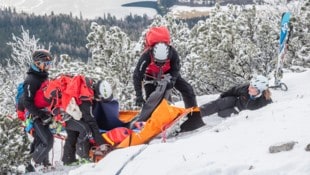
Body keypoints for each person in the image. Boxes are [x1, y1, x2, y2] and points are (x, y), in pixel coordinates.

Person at [133, 41, 205, 131]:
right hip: (150, 75)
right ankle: (150, 125)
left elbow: (176, 68)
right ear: (153, 56)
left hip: (169, 73)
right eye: (157, 62)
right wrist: (139, 96)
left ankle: (194, 119)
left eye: (163, 62)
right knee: (152, 101)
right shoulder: (146, 56)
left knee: (187, 89)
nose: (160, 65)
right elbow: (137, 75)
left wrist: (172, 80)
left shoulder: (173, 53)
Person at [43, 75, 110, 165]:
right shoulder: (85, 98)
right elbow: (91, 122)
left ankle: (68, 160)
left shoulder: (87, 85)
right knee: (85, 129)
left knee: (72, 134)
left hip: (62, 109)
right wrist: (102, 143)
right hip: (63, 114)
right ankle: (84, 156)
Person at [22, 49, 54, 169]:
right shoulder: (31, 80)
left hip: (44, 113)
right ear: (37, 63)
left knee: (40, 140)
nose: (48, 66)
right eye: (46, 64)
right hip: (35, 116)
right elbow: (27, 103)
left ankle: (37, 165)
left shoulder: (43, 77)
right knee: (48, 141)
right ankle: (34, 163)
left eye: (50, 64)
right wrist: (41, 114)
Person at [199, 75, 272, 118]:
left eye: (252, 88)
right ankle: (195, 113)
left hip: (240, 113)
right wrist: (221, 99)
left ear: (260, 91)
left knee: (221, 113)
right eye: (250, 85)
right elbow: (232, 91)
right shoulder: (245, 88)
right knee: (221, 102)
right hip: (235, 101)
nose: (249, 88)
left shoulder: (264, 102)